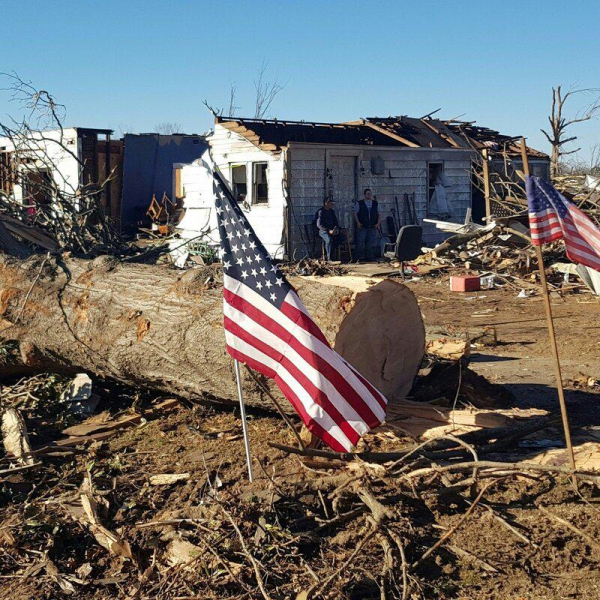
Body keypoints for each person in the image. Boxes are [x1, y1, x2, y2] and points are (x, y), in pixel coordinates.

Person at [354, 188, 381, 261]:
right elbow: (355, 213)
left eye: (370, 193)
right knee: (360, 242)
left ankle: (369, 257)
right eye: (367, 194)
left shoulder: (375, 203)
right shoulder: (360, 203)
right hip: (362, 226)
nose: (369, 195)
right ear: (364, 195)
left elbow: (379, 214)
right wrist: (358, 223)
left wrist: (378, 223)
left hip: (372, 226)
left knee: (370, 243)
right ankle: (358, 258)